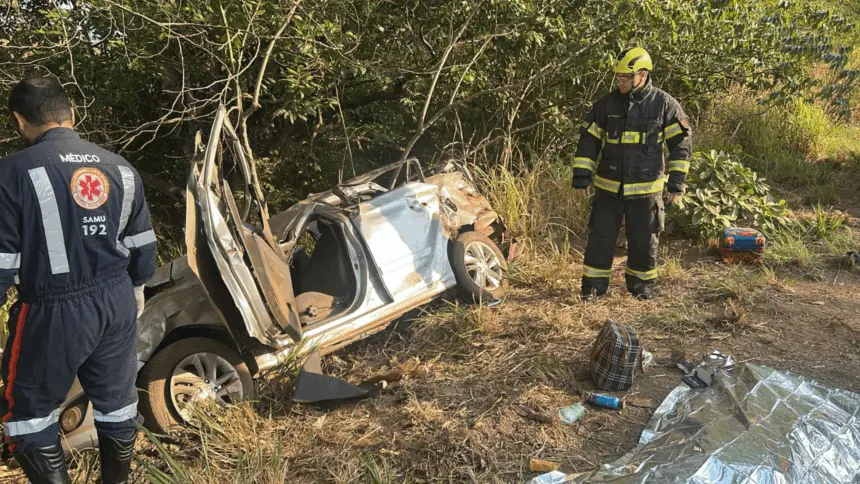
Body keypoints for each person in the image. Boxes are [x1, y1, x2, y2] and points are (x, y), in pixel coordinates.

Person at [0, 77, 156, 483]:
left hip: (53, 310)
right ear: (71, 114)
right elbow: (143, 245)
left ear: (21, 121)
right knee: (118, 405)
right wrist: (136, 288)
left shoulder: (11, 173)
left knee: (28, 416)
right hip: (118, 301)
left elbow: (3, 260)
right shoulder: (120, 168)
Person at [572, 47, 692, 301]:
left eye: (626, 77)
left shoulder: (664, 104)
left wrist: (676, 185)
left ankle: (641, 289)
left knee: (644, 241)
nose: (621, 82)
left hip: (647, 190)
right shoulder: (606, 104)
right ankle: (593, 288)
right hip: (608, 187)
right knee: (600, 239)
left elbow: (680, 147)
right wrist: (582, 176)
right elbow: (588, 141)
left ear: (643, 74)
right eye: (618, 77)